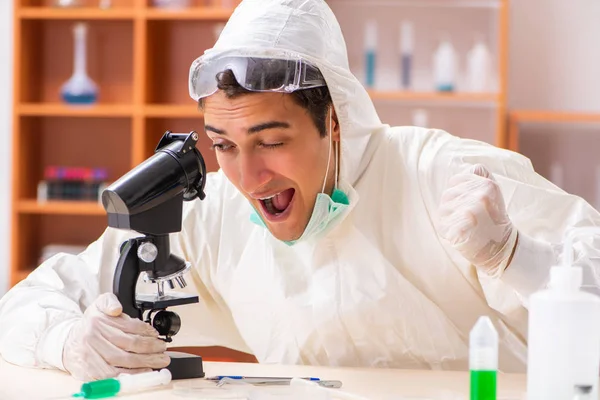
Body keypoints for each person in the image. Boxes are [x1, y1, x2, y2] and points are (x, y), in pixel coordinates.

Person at [2, 0, 600, 382]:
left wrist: (515, 256)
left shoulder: (443, 177)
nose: (246, 176)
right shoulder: (215, 215)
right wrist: (66, 340)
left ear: (334, 121)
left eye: (270, 140)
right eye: (225, 145)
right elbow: (29, 303)